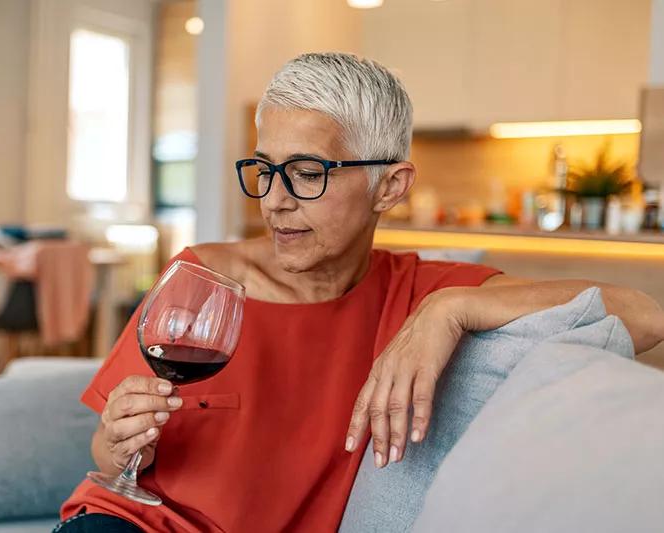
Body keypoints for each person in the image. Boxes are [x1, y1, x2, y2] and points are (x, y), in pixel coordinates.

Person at [56, 53, 664, 533]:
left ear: (389, 187)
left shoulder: (424, 292)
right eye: (265, 169)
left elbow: (642, 315)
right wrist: (117, 439)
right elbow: (109, 462)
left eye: (308, 172)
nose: (273, 200)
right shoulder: (201, 278)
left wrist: (449, 309)